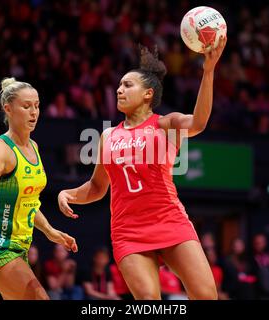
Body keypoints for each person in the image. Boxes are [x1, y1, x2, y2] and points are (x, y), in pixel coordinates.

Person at [58, 38, 226, 300]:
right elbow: (98, 187)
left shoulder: (166, 125)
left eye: (127, 85)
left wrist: (208, 70)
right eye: (118, 86)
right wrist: (69, 193)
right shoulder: (108, 136)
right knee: (148, 301)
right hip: (129, 230)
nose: (119, 90)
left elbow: (199, 121)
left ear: (148, 94)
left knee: (206, 296)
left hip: (169, 219)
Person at [0, 77, 78, 300]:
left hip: (17, 247)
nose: (34, 112)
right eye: (26, 106)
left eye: (36, 106)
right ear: (8, 109)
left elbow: (29, 202)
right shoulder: (1, 149)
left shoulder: (34, 147)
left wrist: (50, 232)